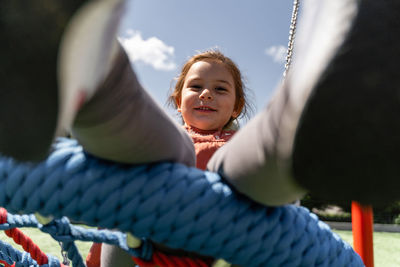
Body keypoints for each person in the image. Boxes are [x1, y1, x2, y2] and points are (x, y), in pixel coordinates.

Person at [96, 49, 253, 267]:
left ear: (236, 107)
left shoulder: (242, 146)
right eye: (196, 86)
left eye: (220, 89)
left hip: (217, 243)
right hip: (156, 236)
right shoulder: (163, 139)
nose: (206, 94)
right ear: (179, 101)